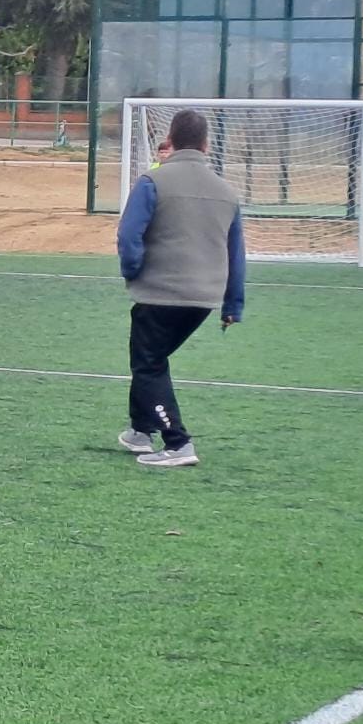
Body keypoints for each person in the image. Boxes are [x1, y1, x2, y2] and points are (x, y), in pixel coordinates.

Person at [116, 109, 246, 469]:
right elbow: (236, 252)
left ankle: (178, 441)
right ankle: (141, 430)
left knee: (149, 362)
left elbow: (129, 235)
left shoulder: (151, 181)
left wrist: (132, 271)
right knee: (152, 358)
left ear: (170, 139)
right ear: (207, 144)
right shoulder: (227, 192)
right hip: (205, 299)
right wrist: (232, 304)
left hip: (160, 293)